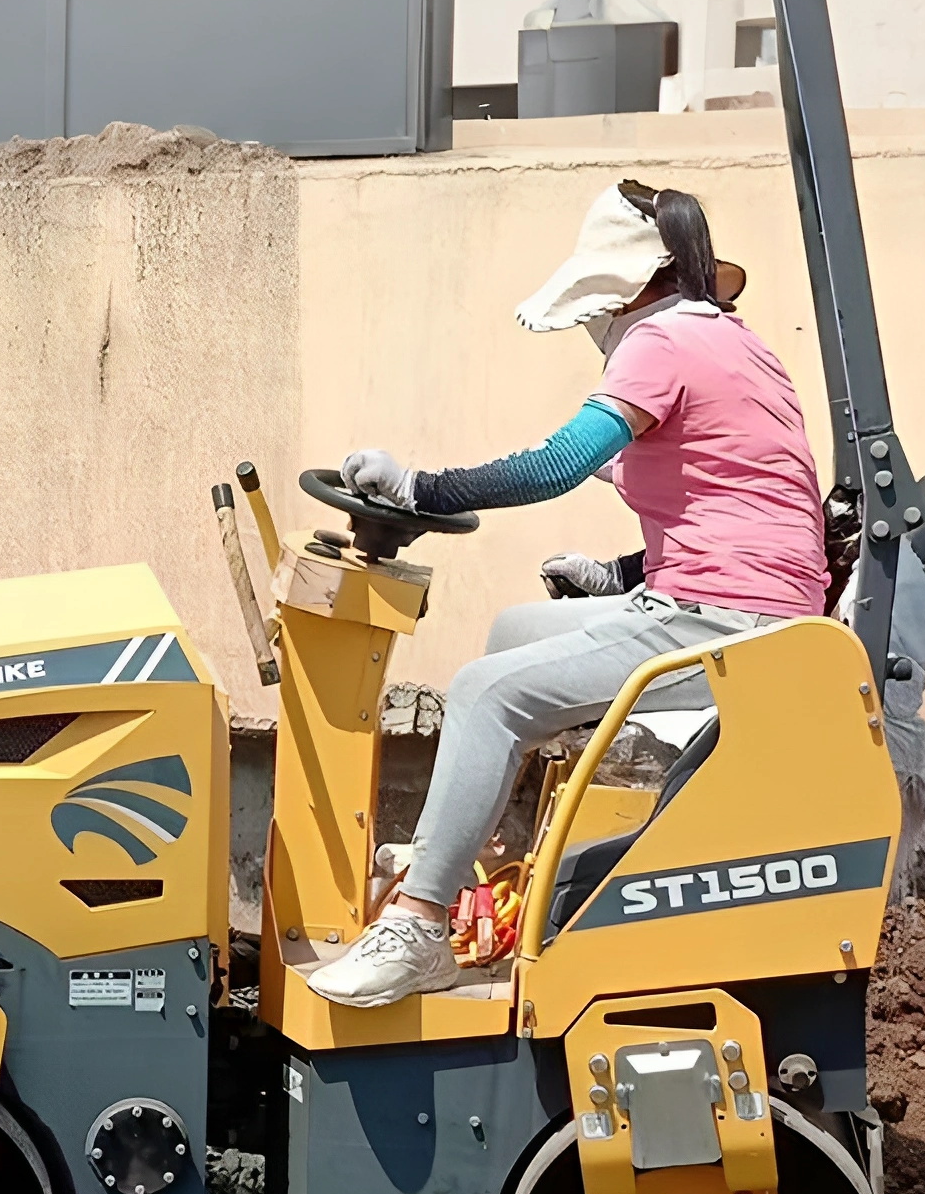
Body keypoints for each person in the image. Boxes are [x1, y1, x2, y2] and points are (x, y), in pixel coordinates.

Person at [308, 179, 829, 1008]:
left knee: (484, 693)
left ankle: (417, 927)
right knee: (517, 630)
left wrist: (421, 488)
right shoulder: (738, 343)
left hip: (725, 625)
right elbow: (745, 502)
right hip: (756, 610)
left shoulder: (660, 342)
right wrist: (622, 575)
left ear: (621, 288)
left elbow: (557, 464)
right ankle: (455, 848)